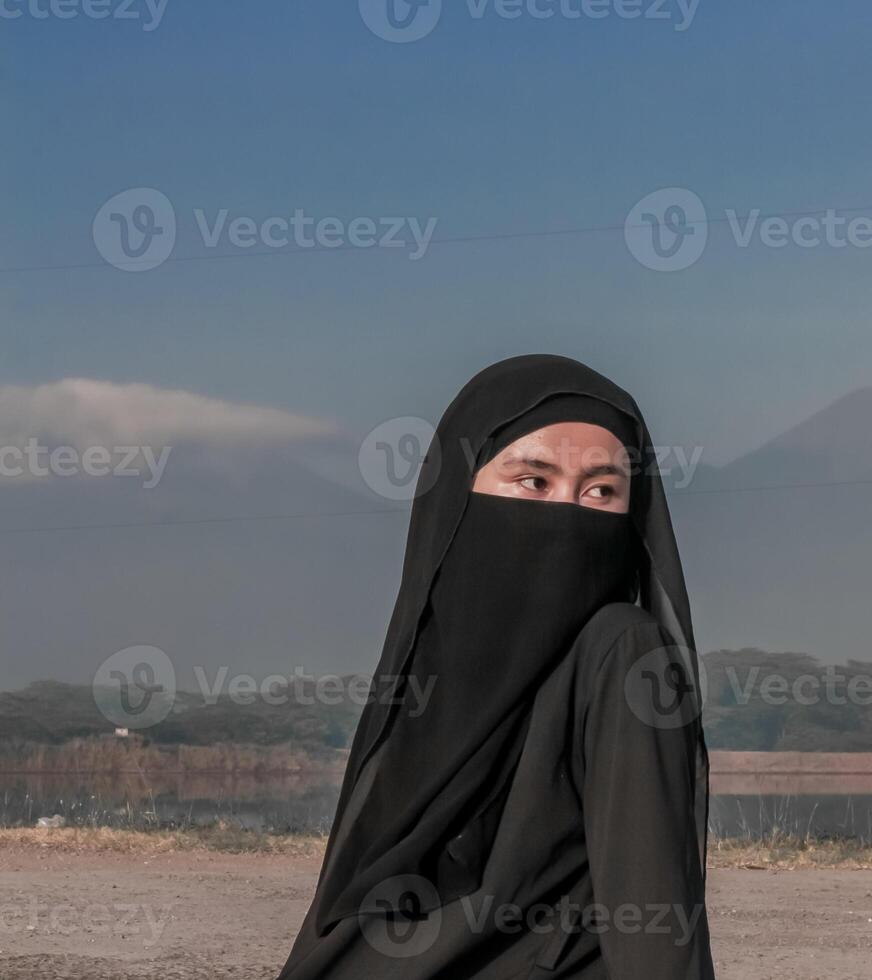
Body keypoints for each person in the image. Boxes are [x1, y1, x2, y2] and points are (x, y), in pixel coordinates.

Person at [277, 354, 714, 979]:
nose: (569, 513)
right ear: (457, 496)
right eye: (533, 482)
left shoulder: (623, 655)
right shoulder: (425, 676)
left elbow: (656, 930)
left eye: (602, 491)